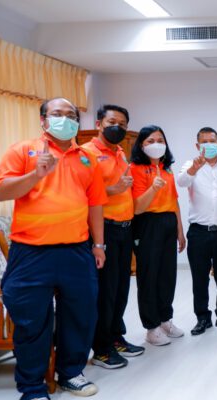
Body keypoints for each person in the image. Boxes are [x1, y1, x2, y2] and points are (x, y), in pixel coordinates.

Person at [0, 98, 106, 397]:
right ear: (43, 120)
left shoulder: (87, 157)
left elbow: (95, 203)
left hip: (76, 251)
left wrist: (98, 244)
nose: (65, 119)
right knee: (32, 320)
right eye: (57, 114)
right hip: (31, 251)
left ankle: (71, 373)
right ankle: (32, 386)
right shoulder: (23, 150)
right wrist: (35, 174)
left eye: (71, 115)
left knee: (80, 315)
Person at [82, 104, 145, 370]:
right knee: (105, 291)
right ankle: (101, 348)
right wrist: (113, 189)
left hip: (124, 228)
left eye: (122, 123)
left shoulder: (120, 152)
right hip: (103, 228)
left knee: (121, 287)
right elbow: (83, 193)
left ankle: (116, 337)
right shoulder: (87, 153)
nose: (117, 127)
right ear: (99, 124)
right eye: (111, 122)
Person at [178, 127, 217, 336]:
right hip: (198, 232)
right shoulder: (190, 165)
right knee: (199, 279)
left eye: (212, 141)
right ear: (197, 146)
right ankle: (202, 318)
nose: (208, 145)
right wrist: (193, 169)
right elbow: (182, 182)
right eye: (204, 141)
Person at [130, 125, 186, 346]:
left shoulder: (167, 168)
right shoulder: (135, 168)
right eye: (150, 141)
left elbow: (174, 201)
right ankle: (151, 327)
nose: (156, 144)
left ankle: (165, 319)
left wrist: (180, 230)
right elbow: (137, 207)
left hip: (168, 222)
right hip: (147, 223)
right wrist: (153, 188)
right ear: (141, 145)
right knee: (149, 276)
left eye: (160, 140)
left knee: (167, 275)